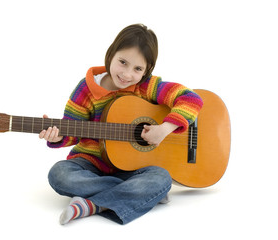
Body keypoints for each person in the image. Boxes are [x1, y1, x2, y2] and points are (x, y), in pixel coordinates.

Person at [39, 24, 203, 225]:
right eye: (123, 62)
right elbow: (72, 128)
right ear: (111, 55)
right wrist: (59, 137)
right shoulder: (87, 88)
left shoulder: (146, 86)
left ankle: (93, 205)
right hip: (91, 163)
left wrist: (165, 128)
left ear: (146, 70)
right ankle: (138, 194)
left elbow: (191, 99)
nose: (127, 74)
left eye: (137, 69)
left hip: (134, 167)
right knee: (59, 174)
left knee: (161, 178)